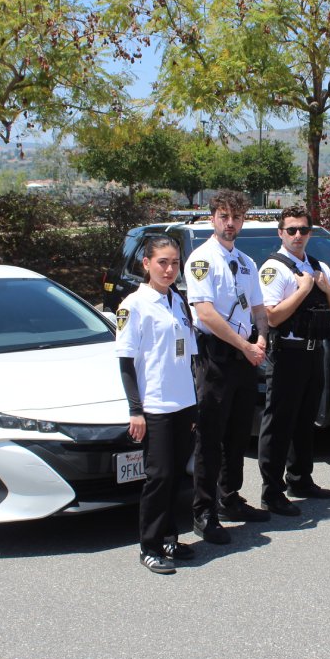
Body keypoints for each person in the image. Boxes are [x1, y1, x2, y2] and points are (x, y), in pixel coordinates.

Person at [185, 190, 271, 545]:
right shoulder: (201, 260)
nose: (231, 223)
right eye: (224, 216)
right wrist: (246, 345)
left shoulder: (248, 262)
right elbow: (205, 313)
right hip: (216, 358)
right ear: (212, 219)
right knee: (210, 437)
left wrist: (263, 338)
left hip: (245, 357)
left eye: (237, 216)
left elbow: (259, 309)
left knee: (238, 434)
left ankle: (230, 498)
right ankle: (203, 512)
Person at [115, 235, 198, 575]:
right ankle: (149, 546)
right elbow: (126, 362)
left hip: (184, 402)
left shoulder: (177, 301)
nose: (169, 269)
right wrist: (136, 410)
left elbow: (189, 354)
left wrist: (195, 400)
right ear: (146, 264)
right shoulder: (133, 305)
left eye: (175, 262)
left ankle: (169, 538)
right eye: (163, 262)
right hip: (156, 406)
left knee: (177, 475)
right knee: (159, 476)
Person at [257, 206, 330, 516]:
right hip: (287, 354)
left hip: (314, 351)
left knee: (305, 420)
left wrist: (324, 288)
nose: (297, 235)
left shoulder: (320, 268)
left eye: (303, 230)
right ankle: (272, 492)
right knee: (279, 423)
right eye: (291, 230)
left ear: (310, 232)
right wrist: (304, 289)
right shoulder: (274, 268)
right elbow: (271, 316)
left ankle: (300, 479)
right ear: (281, 233)